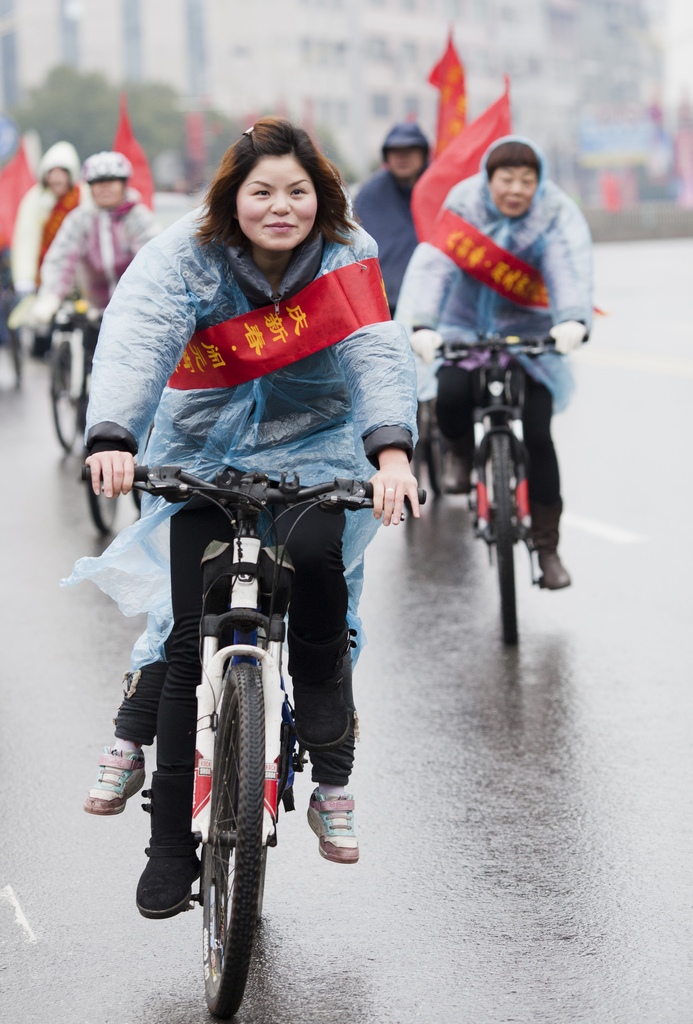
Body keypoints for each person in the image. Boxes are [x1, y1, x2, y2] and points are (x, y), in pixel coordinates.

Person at [75, 117, 419, 919]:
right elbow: (137, 340)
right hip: (201, 451)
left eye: (296, 191)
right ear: (230, 197)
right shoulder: (180, 257)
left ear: (320, 197)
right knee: (192, 635)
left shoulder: (348, 255)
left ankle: (330, 773)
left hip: (321, 451)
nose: (280, 206)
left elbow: (374, 352)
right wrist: (115, 436)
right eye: (260, 191)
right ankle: (167, 848)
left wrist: (391, 455)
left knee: (322, 576)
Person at [396, 136, 593, 589]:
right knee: (450, 395)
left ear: (539, 184)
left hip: (531, 333)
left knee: (540, 436)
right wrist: (423, 325)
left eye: (528, 179)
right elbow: (437, 264)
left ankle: (547, 549)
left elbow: (566, 267)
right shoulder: (465, 206)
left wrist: (572, 320)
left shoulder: (551, 216)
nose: (517, 189)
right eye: (507, 178)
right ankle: (461, 456)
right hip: (462, 326)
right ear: (489, 179)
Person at [31, 151, 159, 337]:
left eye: (112, 181)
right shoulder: (80, 219)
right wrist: (51, 296)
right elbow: (61, 257)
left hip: (134, 307)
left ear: (123, 184)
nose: (105, 188)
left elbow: (154, 258)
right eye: (98, 183)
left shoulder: (138, 217)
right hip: (92, 307)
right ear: (89, 187)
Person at [11, 141, 86, 357]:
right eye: (52, 172)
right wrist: (24, 277)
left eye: (61, 172)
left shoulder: (84, 196)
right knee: (43, 321)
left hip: (79, 270)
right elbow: (26, 239)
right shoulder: (35, 200)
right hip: (45, 270)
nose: (56, 178)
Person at [353, 122, 429, 314]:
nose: (402, 157)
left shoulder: (437, 188)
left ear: (423, 154)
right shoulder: (371, 193)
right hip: (383, 304)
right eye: (395, 151)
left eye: (410, 150)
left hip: (431, 302)